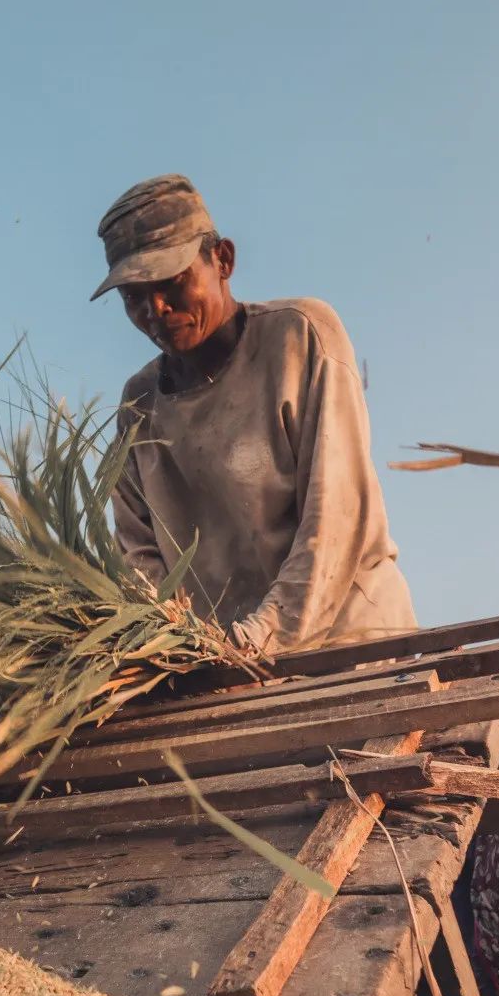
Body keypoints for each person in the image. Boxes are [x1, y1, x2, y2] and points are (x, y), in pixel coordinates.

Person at [94, 174, 416, 656]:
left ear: (222, 259)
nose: (155, 309)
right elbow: (141, 560)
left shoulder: (300, 339)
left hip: (350, 647)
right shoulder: (139, 408)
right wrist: (185, 650)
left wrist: (255, 639)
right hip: (231, 670)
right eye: (133, 297)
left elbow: (334, 518)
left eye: (171, 282)